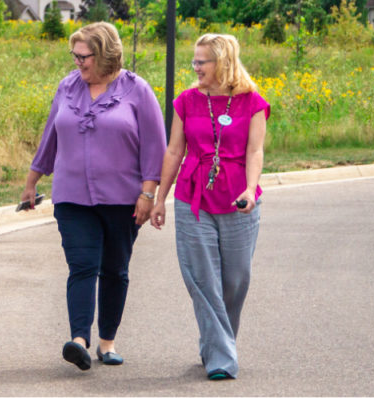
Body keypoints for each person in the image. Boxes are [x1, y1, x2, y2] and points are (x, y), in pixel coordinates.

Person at [20, 22, 166, 371]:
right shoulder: (67, 87)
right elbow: (49, 139)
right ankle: (79, 340)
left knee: (115, 269)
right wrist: (31, 182)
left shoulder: (137, 90)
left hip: (123, 198)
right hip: (72, 197)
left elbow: (155, 146)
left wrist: (149, 193)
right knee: (82, 265)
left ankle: (107, 342)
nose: (78, 63)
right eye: (75, 56)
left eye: (84, 56)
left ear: (105, 54)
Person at [149, 33, 269, 380]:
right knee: (202, 279)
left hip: (237, 200)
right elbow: (174, 151)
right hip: (193, 198)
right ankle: (221, 357)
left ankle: (217, 342)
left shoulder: (253, 103)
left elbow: (254, 152)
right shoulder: (186, 101)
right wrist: (161, 198)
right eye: (195, 61)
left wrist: (249, 189)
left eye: (203, 61)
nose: (195, 67)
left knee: (235, 280)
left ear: (224, 62)